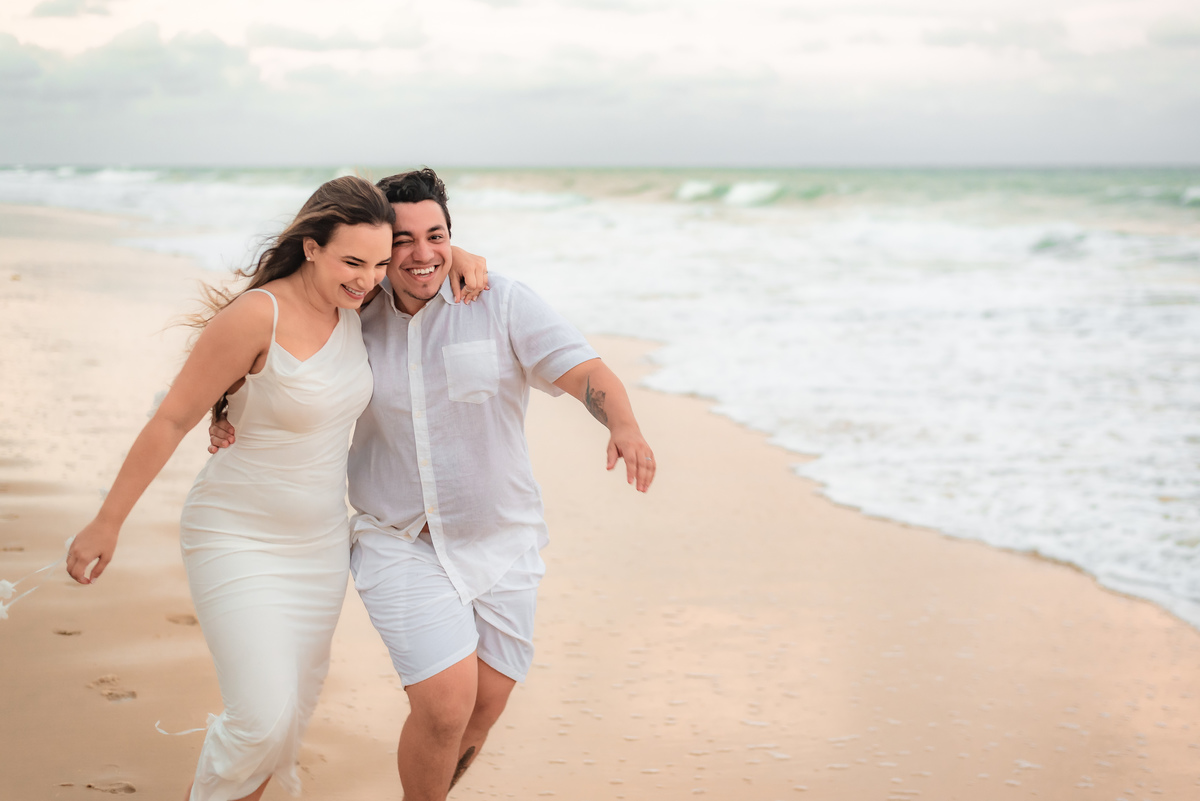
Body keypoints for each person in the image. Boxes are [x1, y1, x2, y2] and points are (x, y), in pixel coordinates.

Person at [212, 167, 656, 801]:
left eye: (437, 236)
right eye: (402, 240)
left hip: (503, 542)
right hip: (398, 539)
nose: (422, 253)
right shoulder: (353, 312)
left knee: (483, 707)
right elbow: (275, 341)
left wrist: (624, 426)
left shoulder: (501, 301)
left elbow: (584, 370)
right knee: (446, 707)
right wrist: (226, 407)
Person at [64, 175, 487, 801]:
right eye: (352, 262)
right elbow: (172, 418)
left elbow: (418, 263)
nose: (368, 278)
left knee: (284, 726)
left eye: (377, 264)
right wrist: (108, 521)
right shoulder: (257, 315)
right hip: (236, 535)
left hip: (319, 549)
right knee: (259, 720)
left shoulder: (358, 304)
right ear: (311, 246)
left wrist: (462, 254)